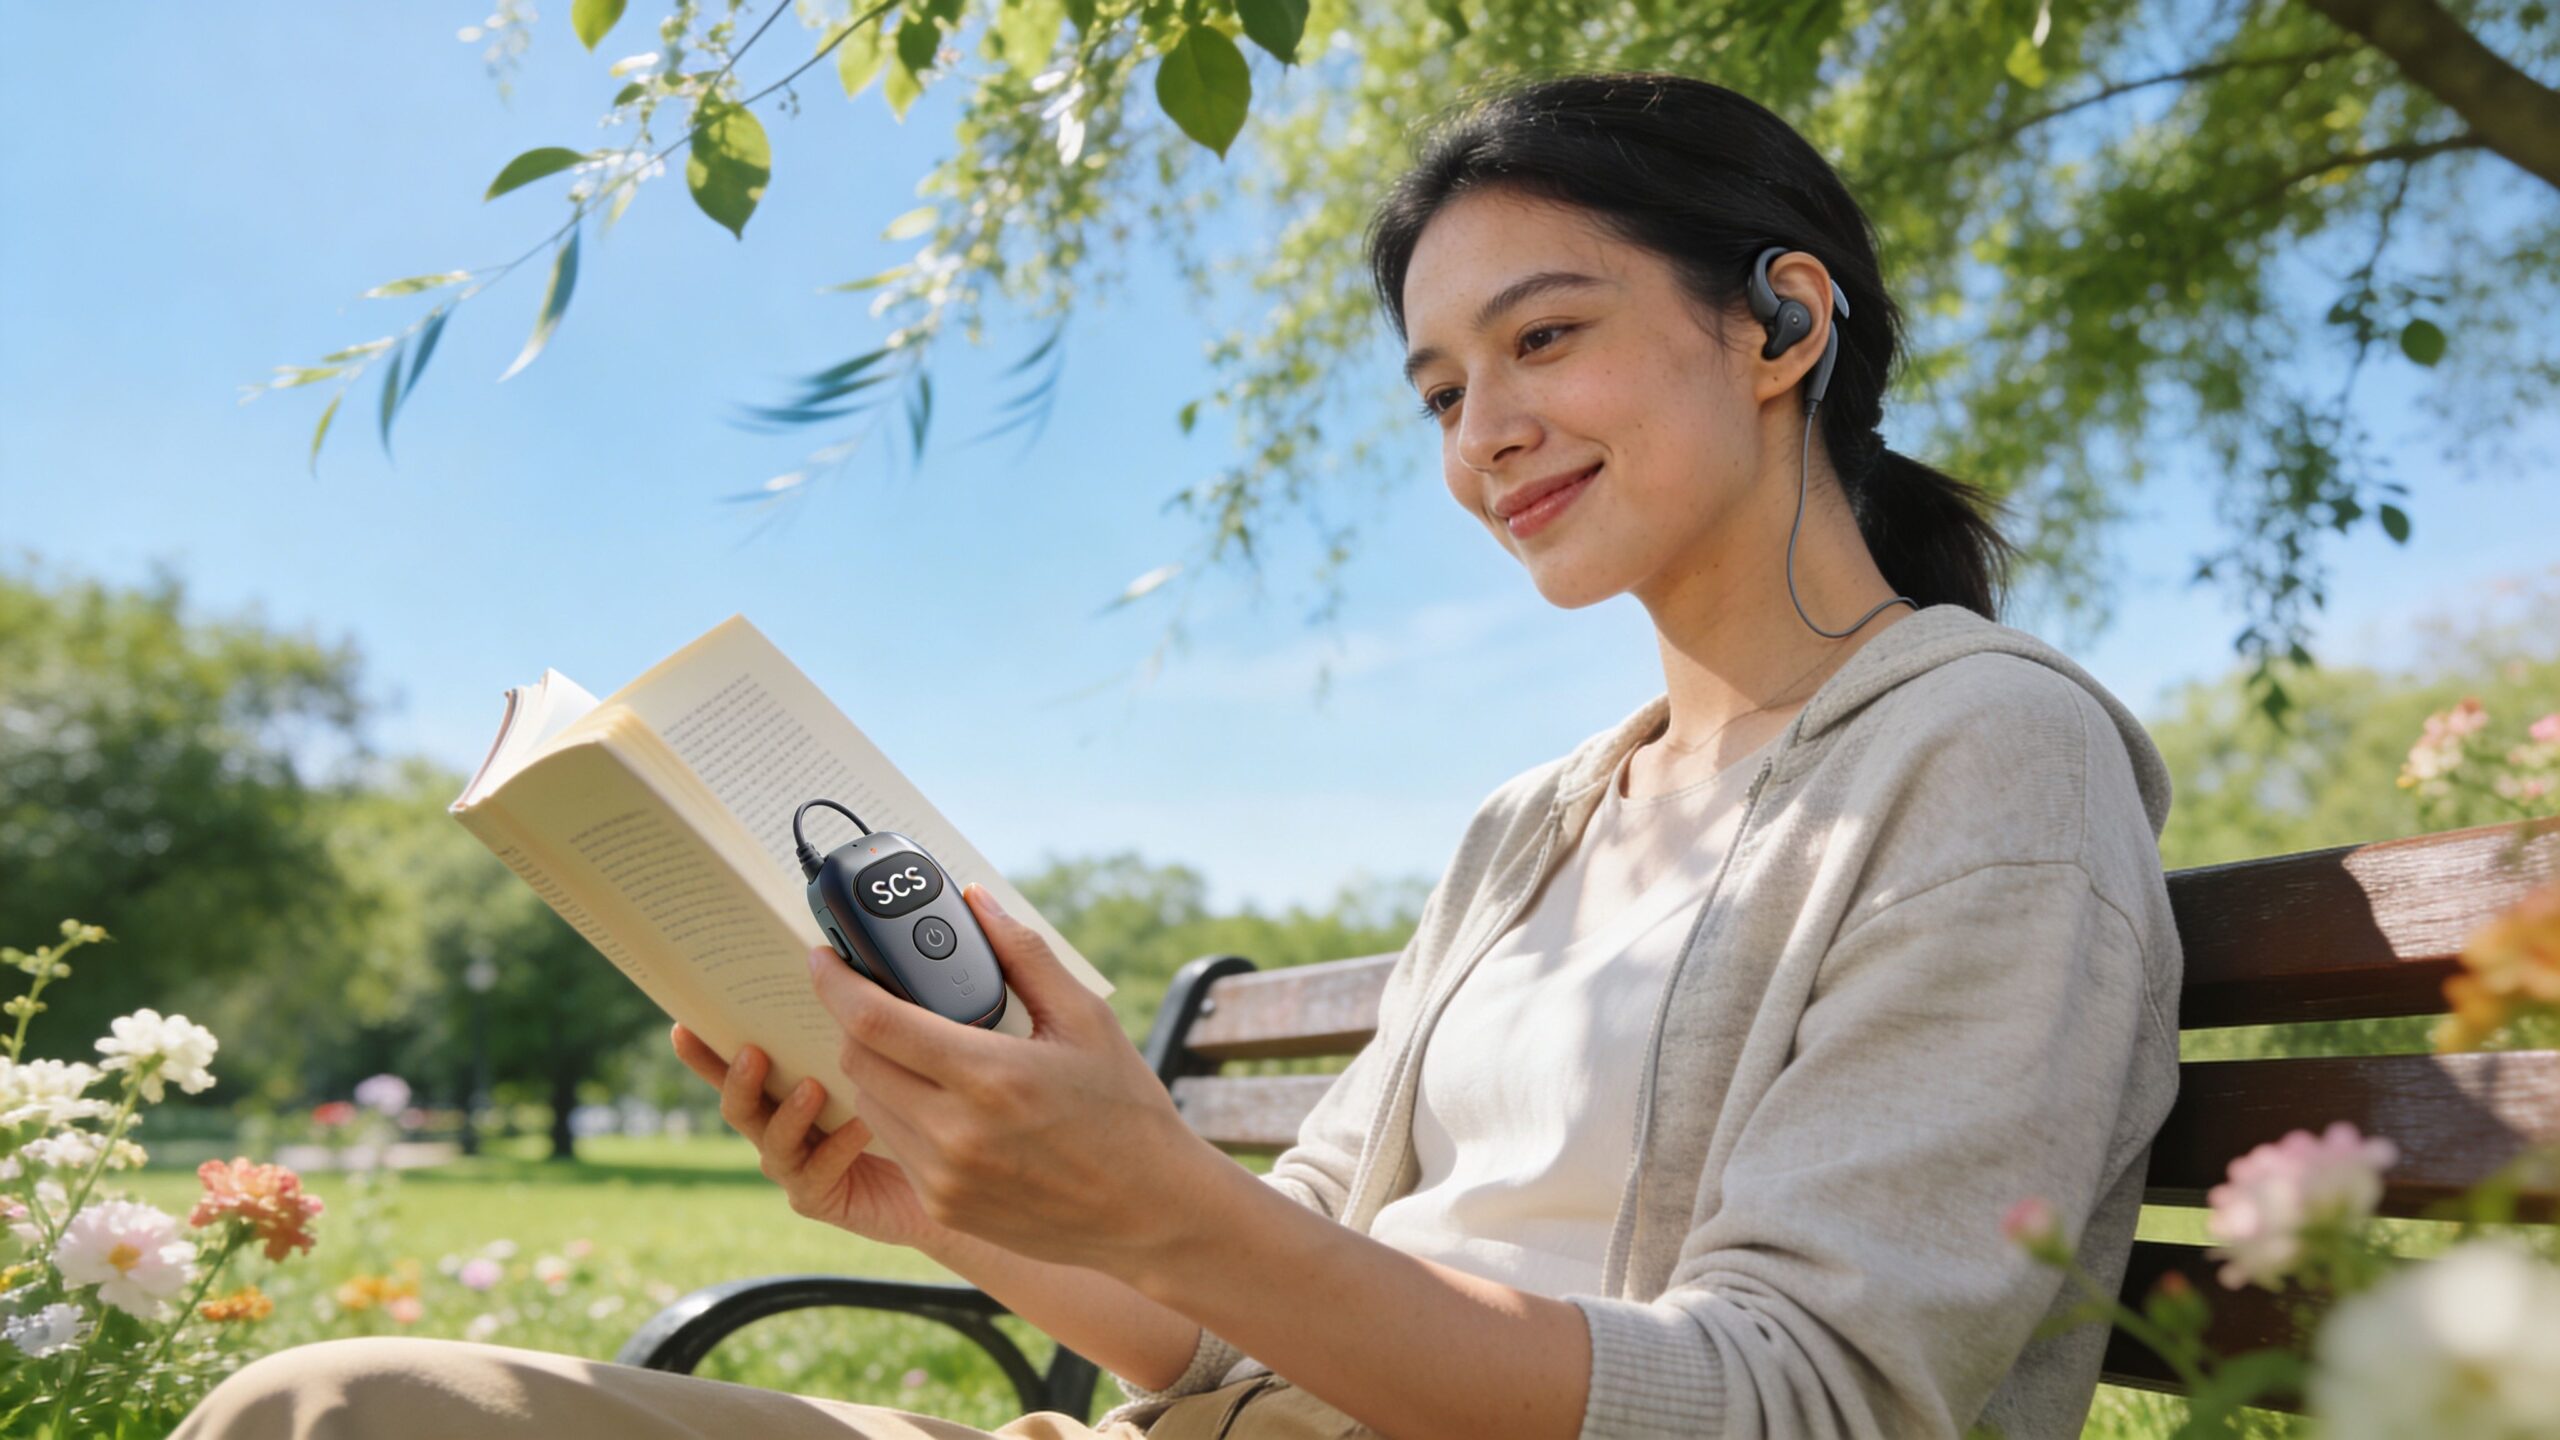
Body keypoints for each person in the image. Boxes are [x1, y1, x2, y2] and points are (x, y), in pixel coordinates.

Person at [176, 68, 2181, 1440]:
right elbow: (1237, 1316)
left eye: (1543, 337)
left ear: (1776, 324)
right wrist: (945, 1197)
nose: (1479, 430)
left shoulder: (1986, 755)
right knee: (331, 1411)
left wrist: (1156, 1196)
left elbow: (1802, 1399)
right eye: (1438, 385)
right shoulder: (1533, 828)